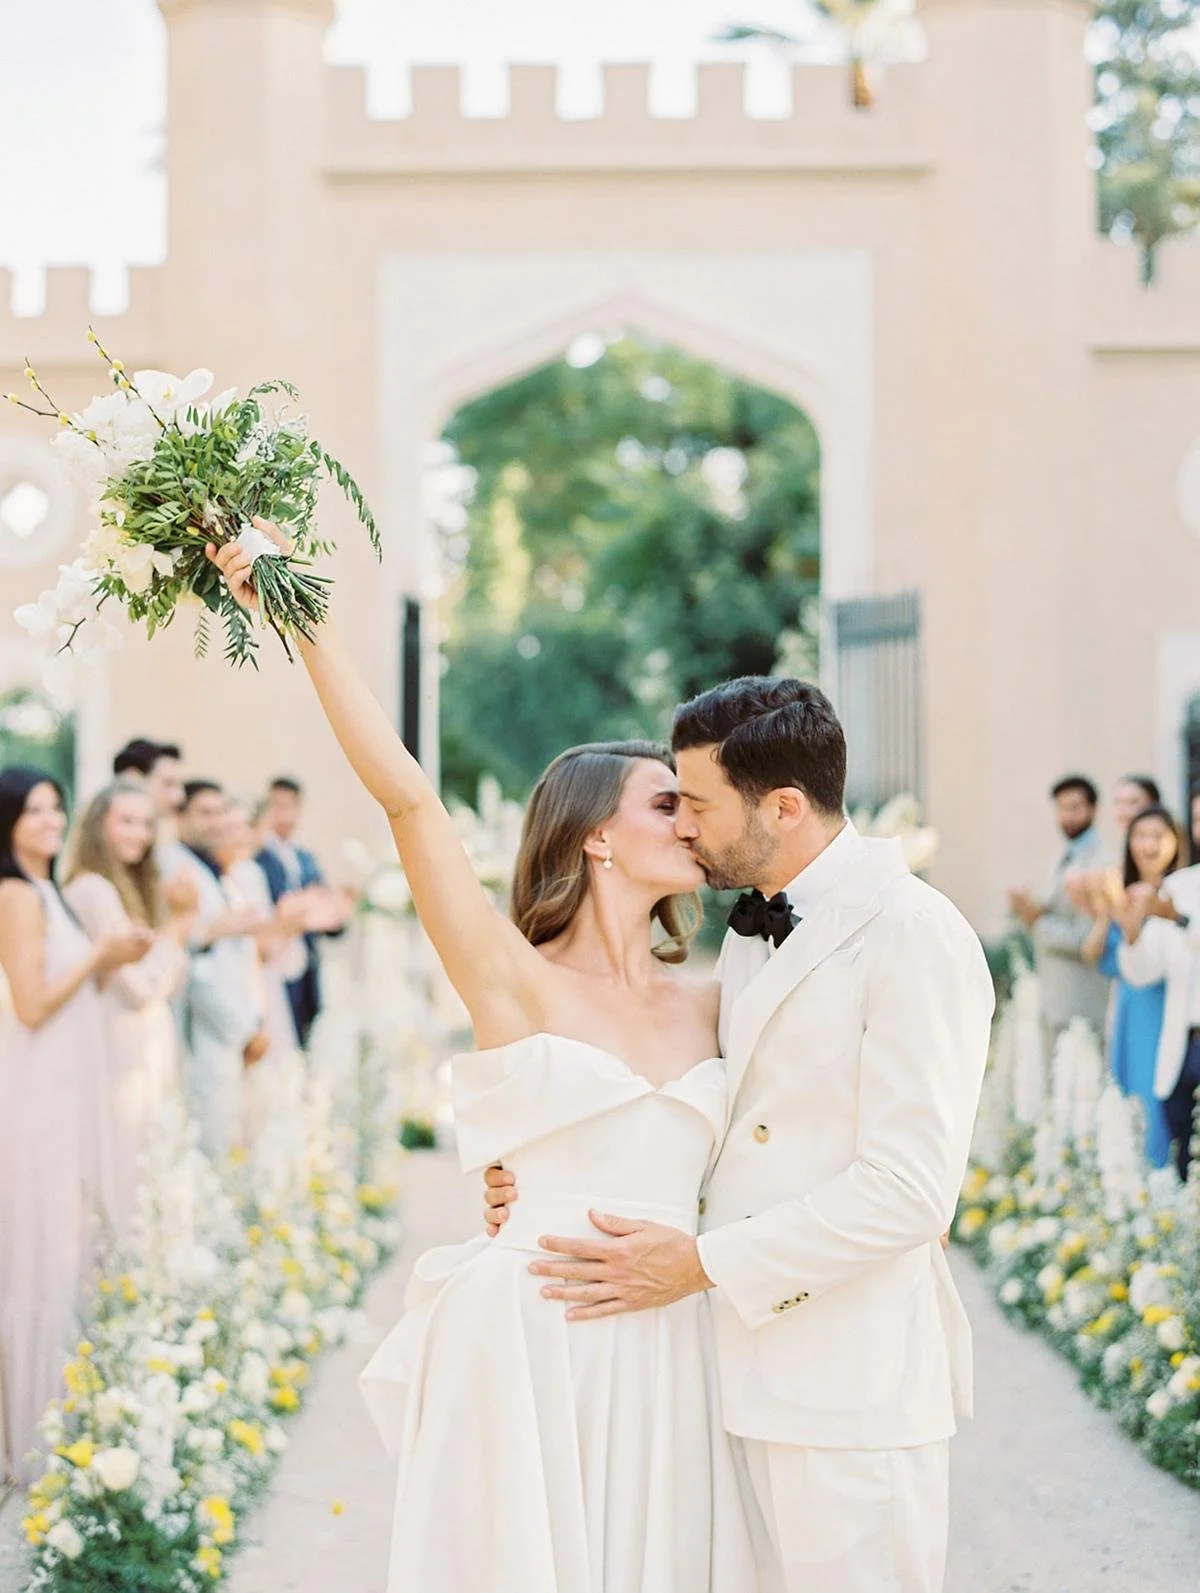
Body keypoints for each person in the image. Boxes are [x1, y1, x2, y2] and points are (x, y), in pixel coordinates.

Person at [207, 527, 761, 1593]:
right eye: (666, 804)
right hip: (533, 1336)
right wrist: (298, 615)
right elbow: (411, 800)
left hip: (672, 1340)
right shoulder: (512, 981)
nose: (691, 822)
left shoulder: (721, 999)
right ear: (597, 836)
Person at [485, 677, 995, 1593]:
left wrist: (705, 1263)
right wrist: (533, 1165)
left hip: (849, 1387)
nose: (684, 827)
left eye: (700, 806)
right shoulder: (752, 934)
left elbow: (910, 1192)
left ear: (786, 807)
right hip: (724, 1382)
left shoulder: (915, 935)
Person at [0, 768, 152, 1484]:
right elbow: (30, 1004)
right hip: (36, 1091)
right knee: (42, 1241)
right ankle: (30, 1435)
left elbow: (71, 991)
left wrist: (109, 958)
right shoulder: (16, 894)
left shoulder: (53, 893)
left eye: (57, 807)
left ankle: (63, 1410)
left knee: (70, 1239)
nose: (51, 819)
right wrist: (100, 953)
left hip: (68, 1082)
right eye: (34, 810)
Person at [62, 781, 198, 1234]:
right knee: (123, 1174)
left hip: (141, 1047)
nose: (139, 834)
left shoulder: (126, 888)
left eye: (146, 823)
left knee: (146, 1173)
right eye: (126, 821)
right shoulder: (95, 891)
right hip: (117, 1048)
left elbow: (168, 981)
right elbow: (141, 988)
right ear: (99, 825)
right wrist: (180, 923)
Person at [1079, 805, 1177, 1167]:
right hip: (1129, 1009)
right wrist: (1109, 908)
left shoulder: (1181, 892)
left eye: (1158, 836)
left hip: (1167, 1007)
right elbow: (1095, 954)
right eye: (1140, 836)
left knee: (1160, 1099)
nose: (1148, 845)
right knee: (1128, 1099)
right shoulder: (1120, 891)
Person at [174, 781, 265, 1159]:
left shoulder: (216, 873)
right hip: (212, 1031)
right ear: (181, 816)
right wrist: (244, 1028)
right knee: (211, 1143)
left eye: (220, 814)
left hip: (235, 1026)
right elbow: (197, 966)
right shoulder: (177, 867)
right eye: (205, 813)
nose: (215, 825)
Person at [1115, 805, 1200, 1181]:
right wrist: (1132, 932)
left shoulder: (1175, 900)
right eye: (1197, 817)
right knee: (1183, 1159)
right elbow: (1145, 971)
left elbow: (1185, 928)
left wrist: (1178, 920)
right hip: (1183, 1046)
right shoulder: (1179, 885)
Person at [216, 797, 307, 1144]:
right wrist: (289, 923)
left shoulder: (249, 872)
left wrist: (290, 923)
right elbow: (260, 943)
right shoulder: (233, 876)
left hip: (260, 982)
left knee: (273, 1083)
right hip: (245, 982)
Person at [1008, 775, 1110, 1048]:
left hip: (1082, 996)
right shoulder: (1061, 856)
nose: (1067, 816)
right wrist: (1027, 908)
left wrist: (1036, 923)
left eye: (1075, 807)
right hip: (1054, 994)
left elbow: (1089, 937)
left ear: (1093, 809)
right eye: (1062, 808)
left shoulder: (1102, 862)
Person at [256, 777, 347, 1046]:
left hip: (308, 965)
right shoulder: (258, 858)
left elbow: (327, 906)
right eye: (277, 806)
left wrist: (333, 912)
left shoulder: (306, 858)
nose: (284, 814)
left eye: (290, 806)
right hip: (274, 961)